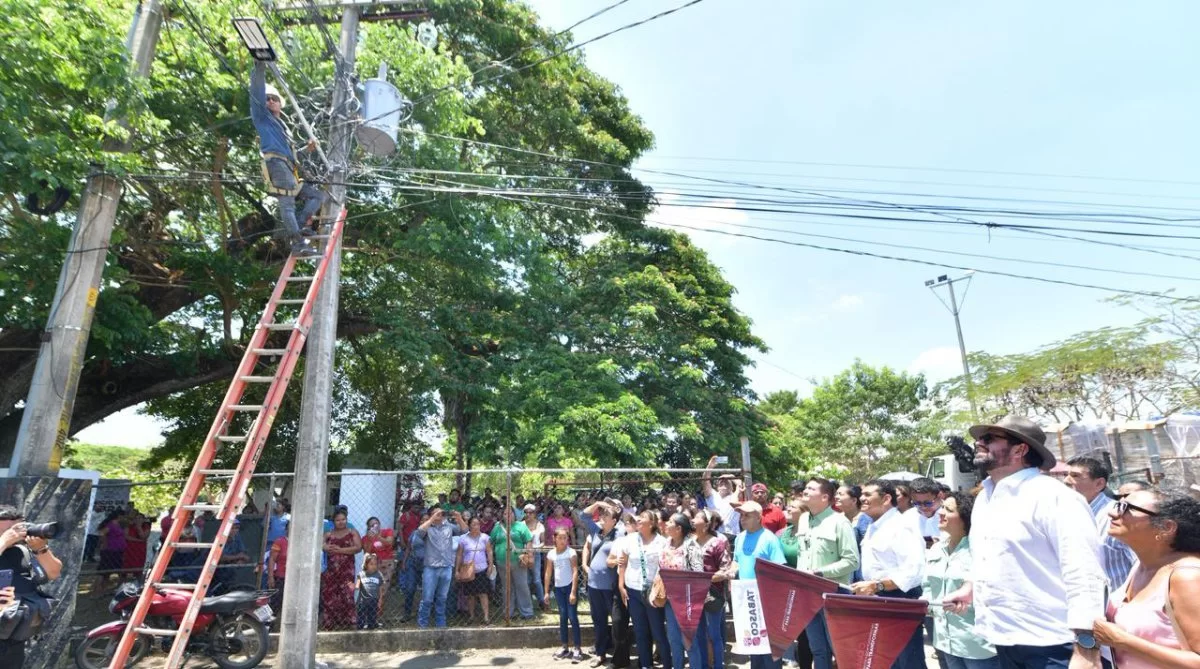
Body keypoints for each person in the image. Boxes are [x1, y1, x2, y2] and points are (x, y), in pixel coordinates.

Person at [945, 416, 1106, 669]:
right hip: (1003, 639)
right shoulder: (986, 499)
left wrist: (1087, 647)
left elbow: (1085, 574)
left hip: (1054, 645)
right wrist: (970, 587)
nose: (978, 443)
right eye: (979, 438)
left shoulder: (1054, 497)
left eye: (989, 438)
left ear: (1020, 449)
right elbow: (989, 557)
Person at [1092, 488, 1200, 668]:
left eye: (1127, 508)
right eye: (1119, 504)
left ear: (1167, 527)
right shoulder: (1141, 566)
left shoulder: (1186, 577)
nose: (1112, 512)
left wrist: (1123, 641)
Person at [248, 60, 326, 257]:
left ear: (280, 102)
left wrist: (306, 150)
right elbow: (256, 93)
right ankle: (297, 241)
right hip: (276, 164)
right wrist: (260, 66)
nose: (270, 101)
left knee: (317, 196)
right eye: (267, 99)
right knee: (287, 204)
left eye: (274, 98)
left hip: (288, 166)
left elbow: (291, 154)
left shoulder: (282, 126)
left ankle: (299, 226)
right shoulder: (262, 118)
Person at [851, 479, 927, 669]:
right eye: (862, 494)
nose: (862, 498)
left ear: (886, 498)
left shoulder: (901, 526)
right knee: (885, 660)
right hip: (877, 598)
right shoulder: (873, 526)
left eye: (868, 495)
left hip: (898, 600)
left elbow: (913, 571)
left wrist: (878, 586)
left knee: (908, 660)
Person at [924, 492, 999, 669]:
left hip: (978, 643)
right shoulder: (936, 549)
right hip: (945, 640)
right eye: (941, 507)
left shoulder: (981, 550)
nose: (940, 512)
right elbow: (927, 585)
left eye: (948, 509)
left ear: (965, 517)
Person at [796, 478, 860, 669]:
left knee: (839, 650)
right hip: (807, 595)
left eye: (811, 488)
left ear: (825, 497)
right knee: (817, 649)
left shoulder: (840, 522)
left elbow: (852, 561)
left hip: (834, 594)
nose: (805, 490)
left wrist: (820, 573)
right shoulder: (803, 519)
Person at [720, 501, 785, 669]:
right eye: (741, 515)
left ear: (759, 517)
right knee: (753, 642)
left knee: (768, 647)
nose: (742, 519)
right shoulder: (740, 537)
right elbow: (736, 562)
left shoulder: (770, 539)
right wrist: (731, 572)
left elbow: (780, 570)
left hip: (766, 600)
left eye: (747, 515)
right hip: (747, 599)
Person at [1065, 456, 1137, 594]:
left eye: (1075, 476)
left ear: (1099, 484)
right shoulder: (1064, 513)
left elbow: (1141, 564)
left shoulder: (1119, 515)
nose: (1066, 480)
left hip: (1115, 606)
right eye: (1066, 475)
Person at [0, 507, 61, 667]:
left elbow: (54, 572)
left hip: (13, 637)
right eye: (9, 530)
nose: (16, 534)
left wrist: (41, 549)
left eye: (20, 527)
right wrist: (4, 542)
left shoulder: (22, 551)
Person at [616, 510, 672, 669]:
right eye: (638, 519)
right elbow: (622, 562)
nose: (638, 521)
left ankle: (667, 664)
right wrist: (621, 585)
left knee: (658, 633)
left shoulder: (662, 542)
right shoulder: (630, 540)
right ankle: (646, 665)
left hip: (653, 593)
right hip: (633, 591)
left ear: (652, 523)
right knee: (640, 633)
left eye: (642, 519)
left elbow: (665, 567)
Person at [660, 512, 704, 669]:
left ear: (678, 528)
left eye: (670, 521)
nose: (666, 523)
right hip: (669, 601)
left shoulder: (691, 546)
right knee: (673, 639)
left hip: (687, 601)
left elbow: (699, 574)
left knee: (689, 641)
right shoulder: (666, 543)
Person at [583, 501, 623, 668]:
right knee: (598, 621)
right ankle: (600, 654)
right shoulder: (595, 531)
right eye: (603, 514)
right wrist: (599, 503)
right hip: (594, 586)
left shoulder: (620, 535)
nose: (602, 517)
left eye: (607, 515)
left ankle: (618, 657)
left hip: (610, 587)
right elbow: (583, 515)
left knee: (616, 622)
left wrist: (617, 509)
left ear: (614, 521)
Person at [693, 508, 732, 669]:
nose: (693, 520)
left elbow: (725, 570)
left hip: (713, 594)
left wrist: (705, 579)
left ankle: (718, 665)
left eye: (697, 517)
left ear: (707, 524)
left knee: (714, 634)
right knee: (699, 633)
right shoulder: (690, 542)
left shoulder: (717, 543)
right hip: (694, 594)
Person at [417, 507, 467, 628]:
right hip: (431, 568)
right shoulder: (428, 527)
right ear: (430, 515)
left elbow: (465, 531)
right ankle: (422, 624)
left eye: (441, 513)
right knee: (427, 598)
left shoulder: (449, 526)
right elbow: (419, 532)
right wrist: (432, 519)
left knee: (442, 598)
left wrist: (459, 518)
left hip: (446, 567)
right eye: (436, 513)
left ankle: (441, 624)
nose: (440, 515)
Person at [545, 528, 584, 663]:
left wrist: (573, 591)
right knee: (562, 617)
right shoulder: (551, 554)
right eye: (560, 538)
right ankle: (564, 646)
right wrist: (546, 592)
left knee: (572, 617)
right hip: (558, 588)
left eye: (565, 538)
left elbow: (574, 571)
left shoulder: (571, 552)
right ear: (554, 538)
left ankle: (577, 648)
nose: (563, 540)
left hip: (569, 587)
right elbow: (548, 573)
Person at [492, 506, 535, 620]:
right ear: (502, 515)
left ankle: (527, 612)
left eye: (510, 513)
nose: (508, 515)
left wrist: (529, 556)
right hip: (502, 563)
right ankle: (508, 613)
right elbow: (491, 542)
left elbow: (528, 541)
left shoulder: (521, 526)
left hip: (518, 562)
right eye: (505, 514)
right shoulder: (497, 527)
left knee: (522, 586)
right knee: (506, 588)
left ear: (514, 515)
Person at [321, 510, 361, 629]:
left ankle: (350, 622)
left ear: (346, 520)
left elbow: (358, 548)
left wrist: (340, 550)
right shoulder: (328, 534)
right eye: (338, 520)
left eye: (343, 519)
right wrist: (325, 547)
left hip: (347, 570)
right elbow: (320, 544)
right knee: (330, 595)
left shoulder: (352, 532)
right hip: (331, 570)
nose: (341, 522)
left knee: (347, 595)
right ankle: (330, 623)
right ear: (333, 522)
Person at [456, 516, 494, 625]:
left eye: (478, 524)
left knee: (483, 594)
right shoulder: (463, 539)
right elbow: (459, 555)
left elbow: (489, 551)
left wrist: (490, 565)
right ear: (469, 525)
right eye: (474, 524)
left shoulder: (485, 538)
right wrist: (457, 570)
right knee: (470, 595)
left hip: (481, 569)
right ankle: (471, 616)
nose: (476, 526)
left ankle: (486, 617)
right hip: (468, 571)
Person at [399, 511, 429, 622]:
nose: (424, 522)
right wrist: (404, 562)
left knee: (426, 590)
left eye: (427, 520)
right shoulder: (414, 533)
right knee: (410, 588)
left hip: (427, 565)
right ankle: (407, 613)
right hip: (412, 562)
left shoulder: (433, 533)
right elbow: (408, 548)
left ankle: (425, 613)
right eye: (422, 520)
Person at [701, 456, 742, 538]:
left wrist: (730, 476)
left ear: (732, 487)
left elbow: (740, 484)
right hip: (714, 533)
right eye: (721, 481)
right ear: (717, 486)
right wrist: (710, 466)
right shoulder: (712, 495)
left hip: (732, 534)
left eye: (727, 481)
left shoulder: (734, 495)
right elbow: (705, 480)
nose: (724, 482)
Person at [362, 516, 396, 614]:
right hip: (373, 564)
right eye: (371, 525)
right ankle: (372, 613)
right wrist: (369, 539)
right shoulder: (366, 538)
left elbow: (389, 543)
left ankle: (377, 612)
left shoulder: (387, 532)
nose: (374, 526)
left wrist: (378, 537)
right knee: (372, 588)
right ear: (368, 527)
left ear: (379, 524)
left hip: (386, 563)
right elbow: (366, 552)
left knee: (383, 589)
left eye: (376, 524)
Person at [92, 508, 126, 595]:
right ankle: (96, 591)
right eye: (123, 516)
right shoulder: (111, 524)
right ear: (119, 516)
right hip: (110, 551)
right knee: (103, 572)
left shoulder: (118, 524)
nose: (124, 518)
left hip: (117, 551)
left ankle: (102, 590)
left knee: (108, 573)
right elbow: (102, 533)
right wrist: (105, 543)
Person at [214, 519, 249, 590]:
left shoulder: (237, 537)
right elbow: (221, 558)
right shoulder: (219, 538)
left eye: (236, 528)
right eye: (232, 528)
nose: (234, 530)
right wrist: (238, 556)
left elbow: (243, 553)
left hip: (229, 571)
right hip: (215, 571)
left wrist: (241, 560)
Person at [524, 503, 547, 609]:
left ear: (535, 514)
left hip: (536, 554)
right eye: (526, 512)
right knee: (526, 580)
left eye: (531, 512)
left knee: (536, 579)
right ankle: (527, 603)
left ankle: (542, 602)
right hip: (523, 554)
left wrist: (535, 548)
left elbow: (543, 542)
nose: (528, 514)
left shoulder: (540, 525)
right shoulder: (521, 525)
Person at [909, 477, 944, 547]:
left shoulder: (952, 516)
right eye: (917, 503)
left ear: (940, 496)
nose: (923, 507)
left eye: (928, 503)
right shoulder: (907, 517)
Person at [266, 523, 288, 620]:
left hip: (296, 579)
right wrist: (271, 577)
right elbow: (272, 559)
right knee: (276, 603)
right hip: (281, 577)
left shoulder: (301, 542)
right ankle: (268, 625)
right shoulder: (280, 541)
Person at [356, 554, 384, 630]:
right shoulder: (361, 574)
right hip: (363, 600)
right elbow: (357, 586)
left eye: (375, 564)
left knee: (372, 615)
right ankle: (360, 627)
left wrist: (380, 599)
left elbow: (381, 588)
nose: (374, 566)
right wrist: (353, 586)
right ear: (366, 564)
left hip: (374, 599)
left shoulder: (378, 575)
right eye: (371, 564)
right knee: (361, 615)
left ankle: (371, 625)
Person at [121, 512, 150, 582]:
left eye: (140, 518)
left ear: (143, 519)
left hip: (140, 549)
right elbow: (126, 536)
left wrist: (139, 527)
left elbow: (143, 536)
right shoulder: (129, 526)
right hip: (130, 549)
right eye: (136, 518)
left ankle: (138, 582)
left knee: (139, 565)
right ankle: (123, 583)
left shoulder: (146, 526)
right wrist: (138, 540)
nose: (138, 519)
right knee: (127, 567)